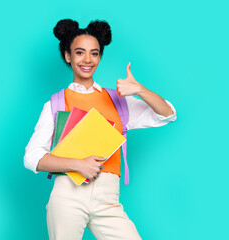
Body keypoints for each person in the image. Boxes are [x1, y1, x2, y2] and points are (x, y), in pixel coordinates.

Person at [24, 19, 177, 240]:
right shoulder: (56, 103)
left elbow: (167, 114)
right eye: (79, 52)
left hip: (108, 199)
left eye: (94, 53)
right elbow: (32, 157)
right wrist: (77, 164)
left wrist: (140, 90)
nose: (87, 59)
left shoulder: (117, 100)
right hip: (68, 194)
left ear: (100, 57)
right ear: (68, 56)